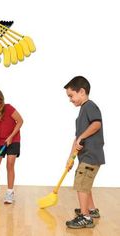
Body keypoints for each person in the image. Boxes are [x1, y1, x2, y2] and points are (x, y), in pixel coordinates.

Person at [64, 76, 105, 229]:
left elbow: (96, 124)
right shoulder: (82, 112)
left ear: (82, 91)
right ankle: (91, 210)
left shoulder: (89, 106)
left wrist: (82, 136)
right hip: (85, 157)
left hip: (91, 156)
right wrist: (70, 158)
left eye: (71, 95)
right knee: (85, 184)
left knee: (81, 185)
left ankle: (85, 217)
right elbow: (77, 139)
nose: (70, 99)